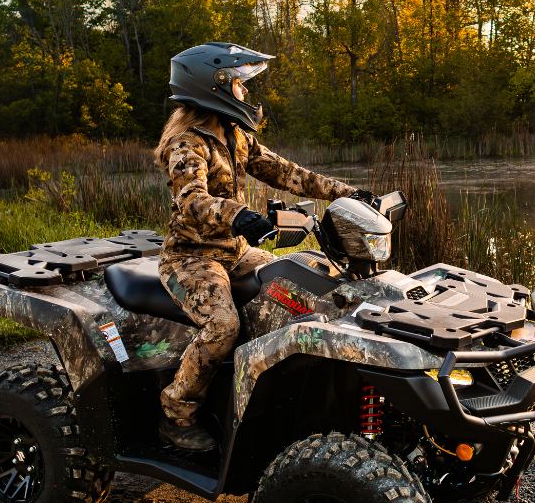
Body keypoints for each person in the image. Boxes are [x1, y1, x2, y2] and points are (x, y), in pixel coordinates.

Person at [152, 42, 377, 452]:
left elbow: (286, 173)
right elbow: (191, 199)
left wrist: (350, 193)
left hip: (234, 251)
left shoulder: (235, 136)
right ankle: (176, 413)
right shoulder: (187, 144)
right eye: (239, 84)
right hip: (191, 257)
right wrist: (239, 214)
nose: (245, 92)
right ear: (213, 87)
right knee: (223, 327)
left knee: (301, 286)